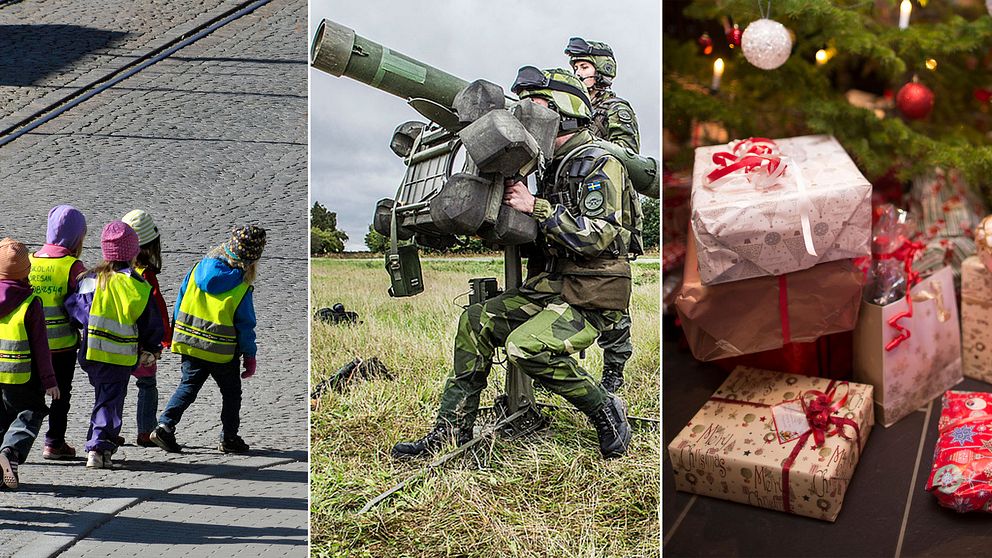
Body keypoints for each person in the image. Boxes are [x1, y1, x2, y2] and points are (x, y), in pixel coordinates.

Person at [392, 67, 642, 460]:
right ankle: (451, 429)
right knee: (475, 321)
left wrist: (535, 206)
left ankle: (605, 409)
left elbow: (599, 235)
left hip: (594, 289)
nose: (524, 112)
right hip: (555, 283)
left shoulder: (598, 160)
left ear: (563, 109)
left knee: (525, 347)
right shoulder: (550, 164)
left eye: (535, 104)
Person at [565, 36, 641, 393]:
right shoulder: (569, 107)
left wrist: (589, 140)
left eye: (582, 66)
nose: (577, 73)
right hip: (575, 205)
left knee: (612, 295)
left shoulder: (615, 109)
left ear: (602, 69)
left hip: (611, 205)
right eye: (575, 68)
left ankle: (614, 368)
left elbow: (629, 157)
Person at [151, 225, 264, 454]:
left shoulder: (198, 269)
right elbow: (245, 325)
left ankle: (164, 426)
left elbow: (181, 301)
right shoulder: (241, 287)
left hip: (190, 345)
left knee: (188, 387)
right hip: (221, 353)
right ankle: (229, 437)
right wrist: (249, 355)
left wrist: (174, 334)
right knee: (232, 394)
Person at [66, 221, 164, 469]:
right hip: (119, 354)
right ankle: (99, 446)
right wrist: (152, 348)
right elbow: (150, 321)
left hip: (91, 352)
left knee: (104, 397)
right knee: (111, 401)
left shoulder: (90, 279)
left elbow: (75, 309)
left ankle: (99, 439)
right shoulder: (137, 285)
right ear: (133, 253)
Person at [0, 238, 60, 488]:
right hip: (22, 375)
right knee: (31, 412)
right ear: (27, 271)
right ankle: (11, 452)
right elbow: (41, 346)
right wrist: (50, 381)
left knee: (2, 420)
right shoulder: (30, 302)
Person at [29, 205, 86, 460]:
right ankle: (54, 442)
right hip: (62, 346)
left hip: (29, 343)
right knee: (60, 395)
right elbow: (80, 306)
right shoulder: (72, 266)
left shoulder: (28, 260)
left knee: (30, 394)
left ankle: (15, 443)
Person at [121, 210, 172, 447]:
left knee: (116, 387)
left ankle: (108, 431)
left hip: (116, 340)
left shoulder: (113, 272)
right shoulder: (146, 276)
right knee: (147, 385)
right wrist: (163, 339)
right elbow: (157, 312)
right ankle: (145, 431)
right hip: (143, 345)